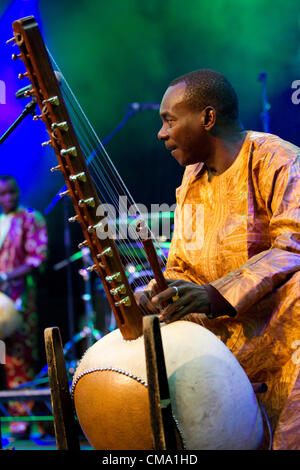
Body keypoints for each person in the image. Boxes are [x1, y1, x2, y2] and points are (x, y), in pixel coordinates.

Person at [137, 69, 300, 450]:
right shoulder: (191, 180)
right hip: (221, 350)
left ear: (207, 118)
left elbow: (293, 245)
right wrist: (159, 291)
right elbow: (180, 265)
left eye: (169, 120)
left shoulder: (278, 160)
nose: (162, 133)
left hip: (285, 346)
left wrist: (215, 295)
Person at [0, 175, 47, 438]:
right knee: (3, 355)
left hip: (18, 298)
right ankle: (22, 415)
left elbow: (37, 259)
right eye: (2, 194)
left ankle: (26, 418)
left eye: (11, 193)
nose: (8, 198)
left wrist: (6, 277)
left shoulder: (31, 218)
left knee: (20, 355)